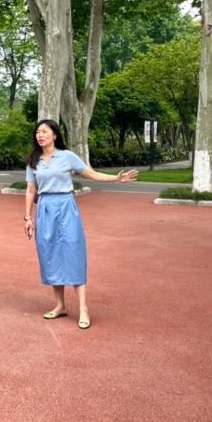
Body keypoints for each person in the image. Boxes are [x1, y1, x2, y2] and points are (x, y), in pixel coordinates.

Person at [24, 119, 137, 330]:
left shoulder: (67, 156)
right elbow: (31, 190)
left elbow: (90, 173)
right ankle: (60, 306)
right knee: (50, 255)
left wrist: (115, 179)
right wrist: (27, 218)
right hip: (45, 209)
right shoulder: (33, 161)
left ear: (55, 135)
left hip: (66, 207)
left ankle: (83, 308)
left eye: (45, 132)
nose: (40, 135)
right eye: (38, 132)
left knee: (73, 253)